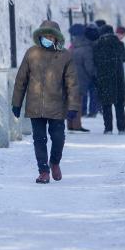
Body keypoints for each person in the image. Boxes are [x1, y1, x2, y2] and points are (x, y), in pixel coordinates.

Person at [11, 20, 81, 184]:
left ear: (56, 38)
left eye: (51, 35)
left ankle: (54, 162)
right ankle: (43, 171)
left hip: (57, 105)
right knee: (39, 139)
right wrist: (16, 103)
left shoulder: (65, 55)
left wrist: (73, 106)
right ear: (40, 36)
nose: (47, 38)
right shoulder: (31, 53)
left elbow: (72, 83)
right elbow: (21, 79)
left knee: (58, 138)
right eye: (45, 35)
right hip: (35, 105)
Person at [93, 24, 125, 134]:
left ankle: (108, 129)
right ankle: (121, 129)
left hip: (104, 78)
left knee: (106, 105)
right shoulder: (119, 43)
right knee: (119, 105)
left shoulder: (97, 45)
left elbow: (95, 61)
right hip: (118, 78)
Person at [67, 23, 94, 132]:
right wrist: (93, 74)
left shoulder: (72, 47)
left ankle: (70, 124)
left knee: (71, 102)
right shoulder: (86, 48)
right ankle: (77, 125)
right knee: (78, 102)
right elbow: (89, 66)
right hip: (81, 78)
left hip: (70, 77)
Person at [81, 24, 102, 116]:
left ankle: (83, 110)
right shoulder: (98, 41)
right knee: (94, 91)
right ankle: (93, 111)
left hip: (83, 70)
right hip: (95, 69)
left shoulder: (84, 41)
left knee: (84, 92)